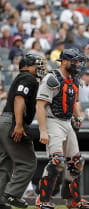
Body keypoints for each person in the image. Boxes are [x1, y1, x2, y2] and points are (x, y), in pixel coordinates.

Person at [35, 49, 89, 209]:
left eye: (78, 62)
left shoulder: (74, 80)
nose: (77, 65)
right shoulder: (52, 78)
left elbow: (74, 102)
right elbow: (40, 105)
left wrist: (79, 117)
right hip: (52, 121)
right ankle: (42, 200)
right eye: (74, 61)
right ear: (65, 61)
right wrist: (42, 130)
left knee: (76, 163)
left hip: (67, 122)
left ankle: (73, 201)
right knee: (57, 162)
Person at [0, 53, 46, 209]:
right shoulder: (28, 78)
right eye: (36, 64)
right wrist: (18, 125)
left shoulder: (24, 77)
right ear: (26, 66)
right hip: (12, 121)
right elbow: (19, 98)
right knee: (28, 163)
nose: (40, 67)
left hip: (4, 120)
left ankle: (1, 199)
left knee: (5, 164)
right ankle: (11, 195)